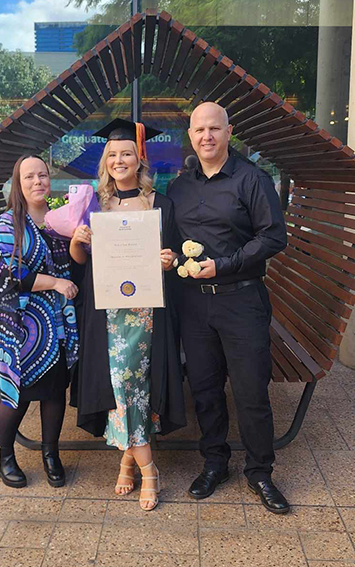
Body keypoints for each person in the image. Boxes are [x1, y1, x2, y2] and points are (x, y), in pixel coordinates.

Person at [168, 102, 290, 514]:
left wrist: (223, 264)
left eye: (214, 129)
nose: (207, 136)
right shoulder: (180, 188)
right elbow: (165, 239)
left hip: (241, 299)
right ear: (191, 135)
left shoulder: (252, 180)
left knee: (251, 391)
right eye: (199, 130)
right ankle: (215, 463)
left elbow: (273, 237)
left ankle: (260, 472)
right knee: (204, 390)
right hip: (194, 305)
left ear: (228, 131)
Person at [70, 118, 186, 511]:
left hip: (146, 313)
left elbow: (169, 259)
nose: (120, 160)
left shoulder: (161, 204)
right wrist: (77, 241)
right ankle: (144, 466)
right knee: (120, 387)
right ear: (105, 162)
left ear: (139, 160)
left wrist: (168, 260)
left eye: (126, 154)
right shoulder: (94, 204)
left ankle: (131, 462)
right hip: (107, 313)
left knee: (135, 386)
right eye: (113, 155)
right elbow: (80, 263)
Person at [0, 154, 80, 489]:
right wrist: (55, 283)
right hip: (20, 327)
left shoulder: (59, 220)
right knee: (19, 393)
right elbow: (11, 275)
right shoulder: (7, 224)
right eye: (29, 177)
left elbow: (73, 264)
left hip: (55, 323)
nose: (37, 182)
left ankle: (50, 454)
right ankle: (5, 454)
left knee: (55, 390)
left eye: (42, 175)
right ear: (18, 184)